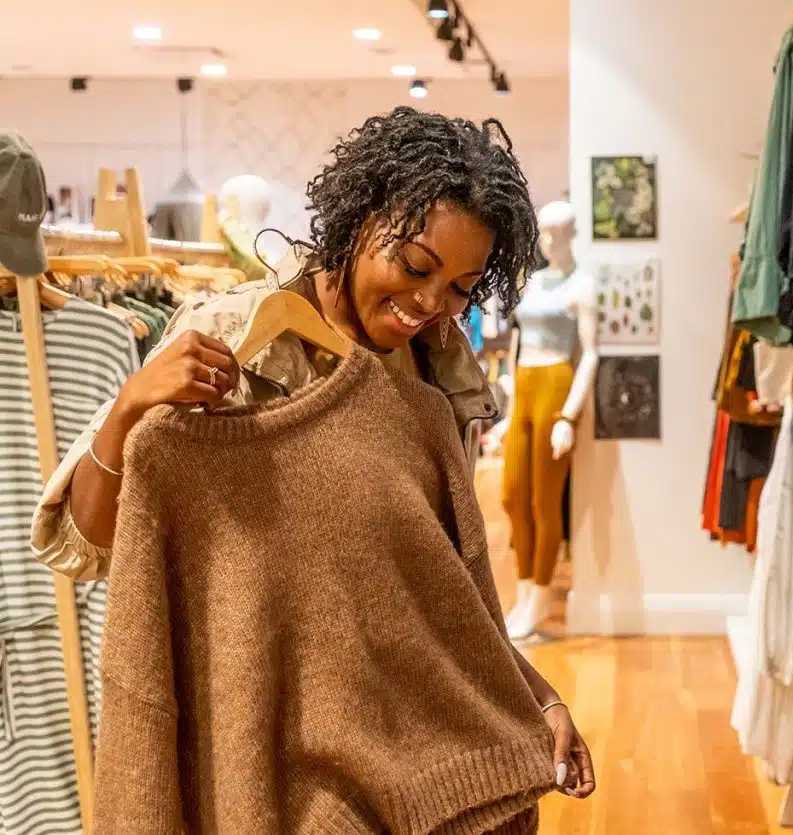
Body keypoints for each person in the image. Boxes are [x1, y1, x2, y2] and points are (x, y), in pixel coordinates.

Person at [31, 107, 595, 802]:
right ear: (359, 218)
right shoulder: (236, 338)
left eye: (458, 288)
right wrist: (127, 412)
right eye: (414, 265)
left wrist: (537, 697)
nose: (427, 302)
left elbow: (444, 582)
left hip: (414, 746)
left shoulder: (440, 368)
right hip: (272, 752)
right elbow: (89, 545)